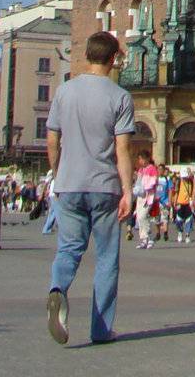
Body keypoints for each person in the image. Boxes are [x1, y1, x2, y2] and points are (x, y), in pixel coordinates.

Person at [44, 31, 134, 348]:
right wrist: (128, 191)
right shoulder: (120, 96)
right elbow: (122, 150)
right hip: (104, 186)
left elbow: (52, 141)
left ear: (86, 55)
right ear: (114, 59)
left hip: (69, 184)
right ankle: (100, 329)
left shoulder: (64, 91)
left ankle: (58, 289)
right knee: (107, 258)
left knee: (69, 249)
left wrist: (58, 174)